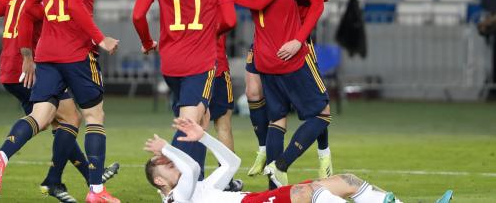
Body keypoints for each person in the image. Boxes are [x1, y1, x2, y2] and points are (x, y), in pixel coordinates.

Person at [0, 0, 120, 203]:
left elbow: (29, 13)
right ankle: (96, 191)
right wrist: (100, 38)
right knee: (94, 115)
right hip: (76, 52)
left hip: (47, 54)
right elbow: (73, 5)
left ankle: (2, 156)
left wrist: (29, 55)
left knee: (41, 115)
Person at [233, 0, 332, 180]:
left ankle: (323, 155)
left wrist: (300, 38)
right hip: (270, 43)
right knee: (260, 97)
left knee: (305, 106)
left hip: (295, 39)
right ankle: (272, 161)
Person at [132, 0, 237, 180]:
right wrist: (208, 31)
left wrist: (147, 42)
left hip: (170, 62)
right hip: (199, 62)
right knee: (190, 124)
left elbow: (137, 15)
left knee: (200, 119)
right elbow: (230, 20)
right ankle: (168, 183)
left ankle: (197, 181)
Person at [144, 117, 454, 203]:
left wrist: (205, 137)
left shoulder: (197, 191)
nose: (173, 163)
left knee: (347, 181)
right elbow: (192, 166)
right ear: (160, 181)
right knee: (311, 193)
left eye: (169, 160)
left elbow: (231, 164)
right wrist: (167, 149)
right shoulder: (176, 200)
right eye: (167, 166)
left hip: (258, 198)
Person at [195, 0, 243, 192]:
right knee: (222, 123)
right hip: (217, 63)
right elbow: (229, 17)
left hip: (190, 64)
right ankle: (226, 181)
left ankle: (194, 178)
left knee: (193, 122)